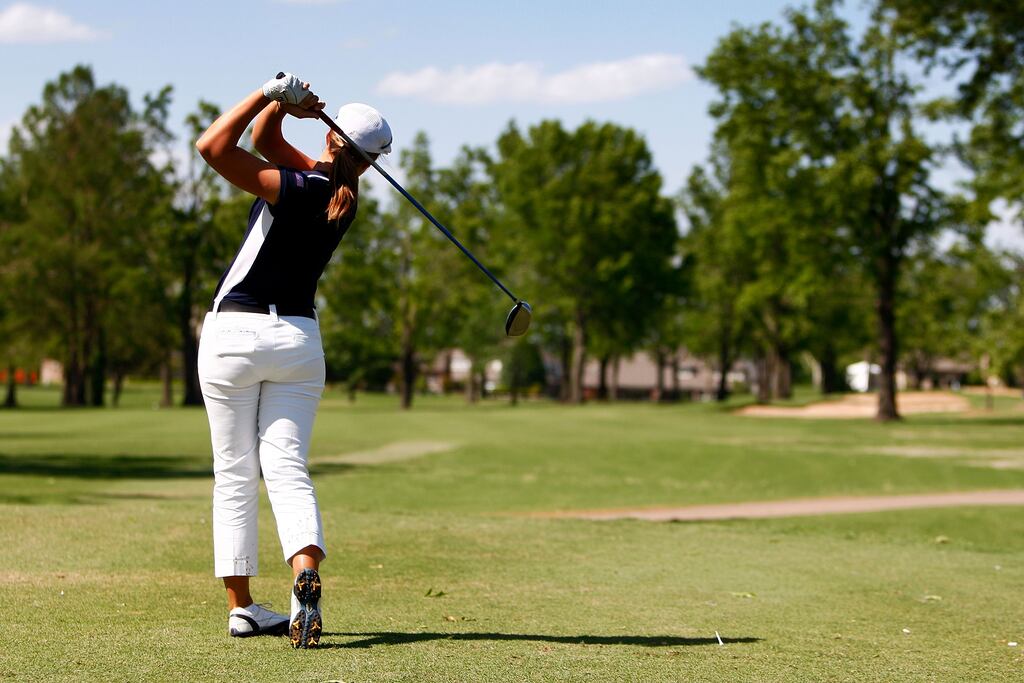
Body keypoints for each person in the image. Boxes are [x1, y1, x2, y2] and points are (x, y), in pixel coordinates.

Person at [194, 72, 392, 649]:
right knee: (286, 467)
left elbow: (215, 147)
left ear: (332, 138)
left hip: (235, 332)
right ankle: (304, 568)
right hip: (299, 341)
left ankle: (242, 609)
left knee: (234, 472)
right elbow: (265, 141)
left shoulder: (299, 186)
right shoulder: (340, 199)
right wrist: (286, 110)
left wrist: (268, 93)